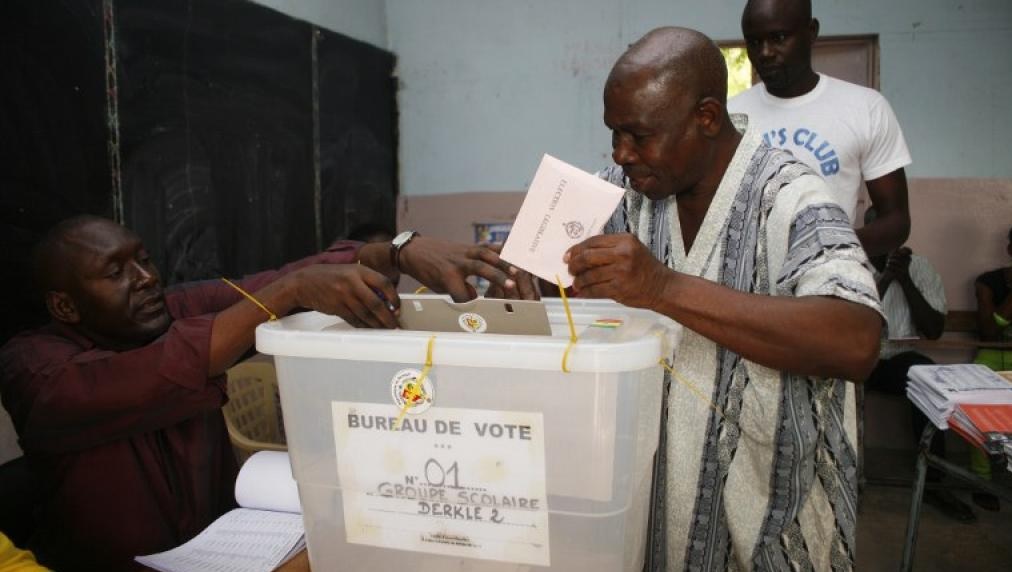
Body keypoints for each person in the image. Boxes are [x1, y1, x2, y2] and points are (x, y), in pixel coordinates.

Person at [0, 215, 527, 571]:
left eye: (143, 260)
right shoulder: (33, 369)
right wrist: (289, 294)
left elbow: (280, 280)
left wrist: (399, 250)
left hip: (227, 554)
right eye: (116, 273)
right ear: (65, 307)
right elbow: (165, 368)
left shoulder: (164, 311)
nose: (145, 279)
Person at [565, 27, 881, 570]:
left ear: (707, 118)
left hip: (774, 528)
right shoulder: (625, 193)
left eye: (637, 135)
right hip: (654, 520)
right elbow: (527, 266)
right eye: (614, 135)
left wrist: (663, 287)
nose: (621, 153)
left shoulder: (790, 196)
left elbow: (856, 340)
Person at [727, 0, 911, 257]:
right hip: (746, 287)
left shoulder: (866, 107)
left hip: (826, 283)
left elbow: (896, 221)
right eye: (754, 42)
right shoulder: (730, 115)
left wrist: (829, 250)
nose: (765, 52)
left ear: (811, 31)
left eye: (778, 37)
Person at [860, 209, 975, 522]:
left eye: (891, 230)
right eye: (877, 229)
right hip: (861, 353)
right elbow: (858, 325)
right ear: (868, 231)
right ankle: (847, 471)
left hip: (900, 357)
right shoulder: (852, 265)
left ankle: (934, 483)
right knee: (838, 383)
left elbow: (934, 330)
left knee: (926, 377)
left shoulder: (920, 267)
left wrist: (905, 279)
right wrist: (884, 280)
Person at [968, 224, 1012, 511]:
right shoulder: (988, 282)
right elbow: (988, 333)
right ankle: (981, 480)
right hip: (993, 354)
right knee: (976, 401)